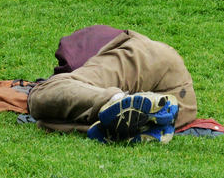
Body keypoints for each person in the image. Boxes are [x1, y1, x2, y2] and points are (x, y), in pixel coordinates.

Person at [26, 25, 198, 144]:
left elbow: (59, 88)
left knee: (41, 95)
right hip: (182, 107)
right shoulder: (94, 41)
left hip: (148, 59)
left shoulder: (78, 46)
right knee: (48, 119)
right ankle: (138, 126)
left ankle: (118, 100)